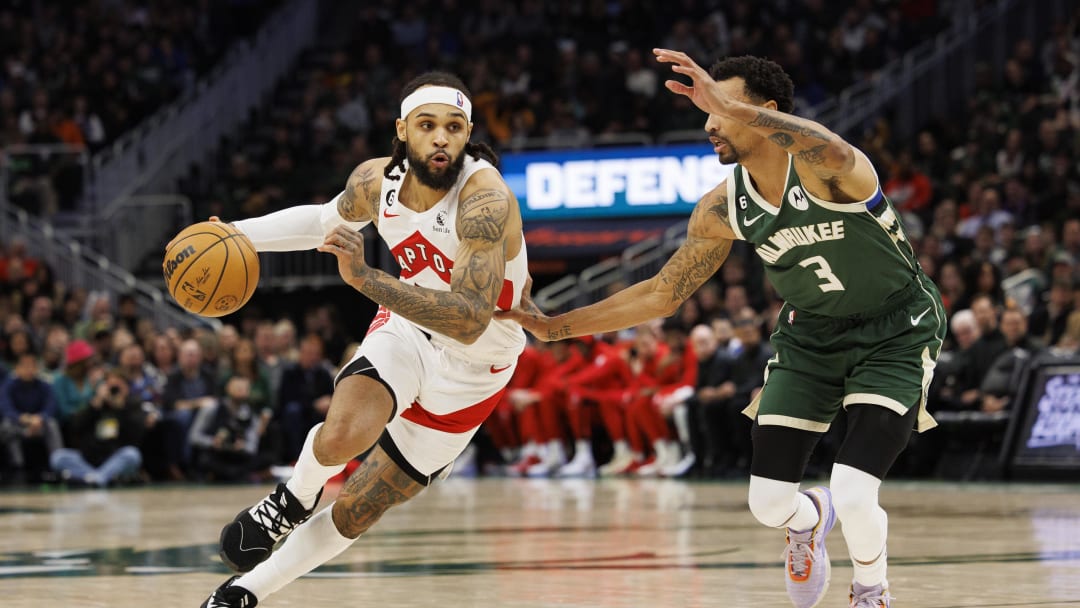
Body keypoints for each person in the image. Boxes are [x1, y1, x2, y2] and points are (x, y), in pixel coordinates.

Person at [498, 52, 945, 608]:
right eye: (705, 111)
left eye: (718, 108)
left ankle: (871, 592)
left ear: (765, 111)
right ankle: (809, 521)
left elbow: (829, 143)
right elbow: (663, 292)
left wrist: (729, 102)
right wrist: (555, 327)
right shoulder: (720, 206)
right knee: (767, 504)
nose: (707, 122)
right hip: (810, 339)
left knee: (857, 490)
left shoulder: (825, 167)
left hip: (895, 329)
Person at [199, 70, 528, 607]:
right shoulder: (378, 183)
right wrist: (236, 234)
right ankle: (291, 500)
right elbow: (322, 223)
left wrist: (368, 278)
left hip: (476, 371)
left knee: (359, 507)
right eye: (427, 125)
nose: (441, 137)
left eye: (453, 127)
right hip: (408, 329)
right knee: (342, 434)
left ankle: (243, 590)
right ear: (402, 130)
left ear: (468, 134)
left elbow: (469, 319)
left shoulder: (485, 200)